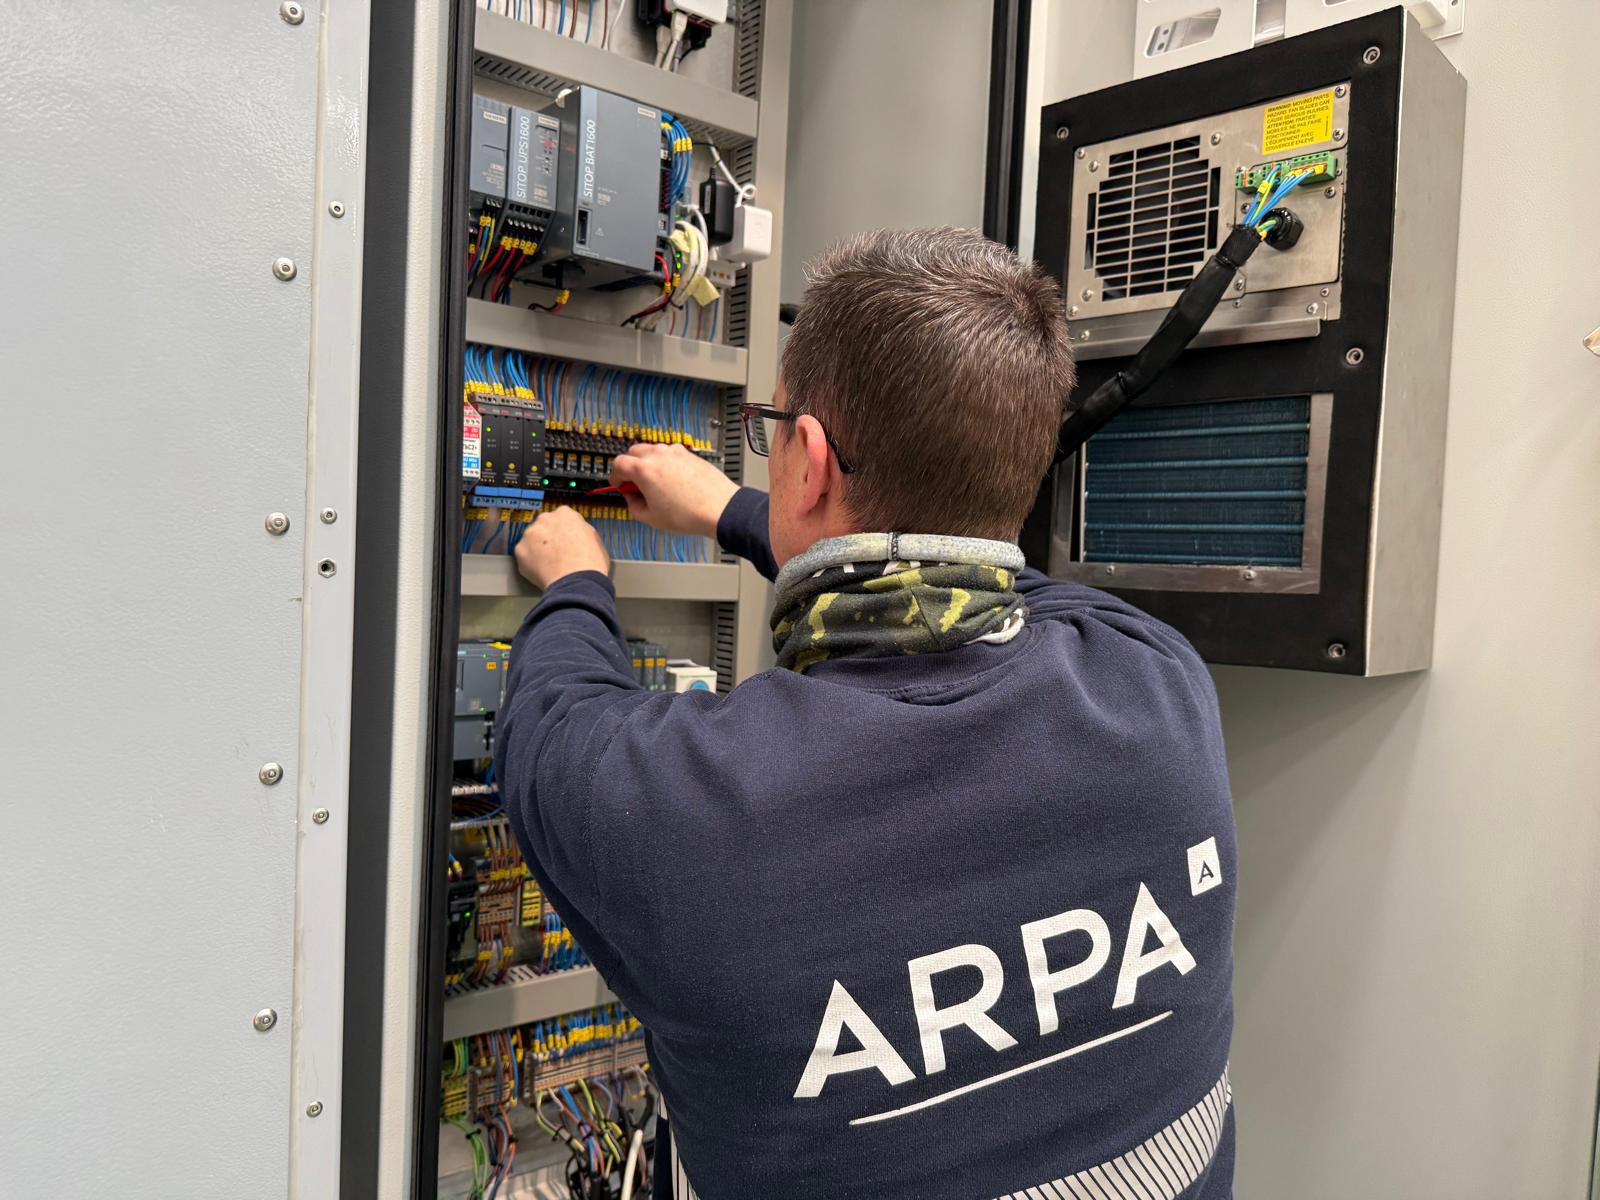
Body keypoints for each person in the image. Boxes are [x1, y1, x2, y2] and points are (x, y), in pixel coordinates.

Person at [497, 227, 1237, 1200]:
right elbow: (968, 584)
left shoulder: (683, 817)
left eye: (773, 430)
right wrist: (731, 510)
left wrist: (574, 579)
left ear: (808, 461)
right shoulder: (1158, 680)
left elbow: (551, 721)